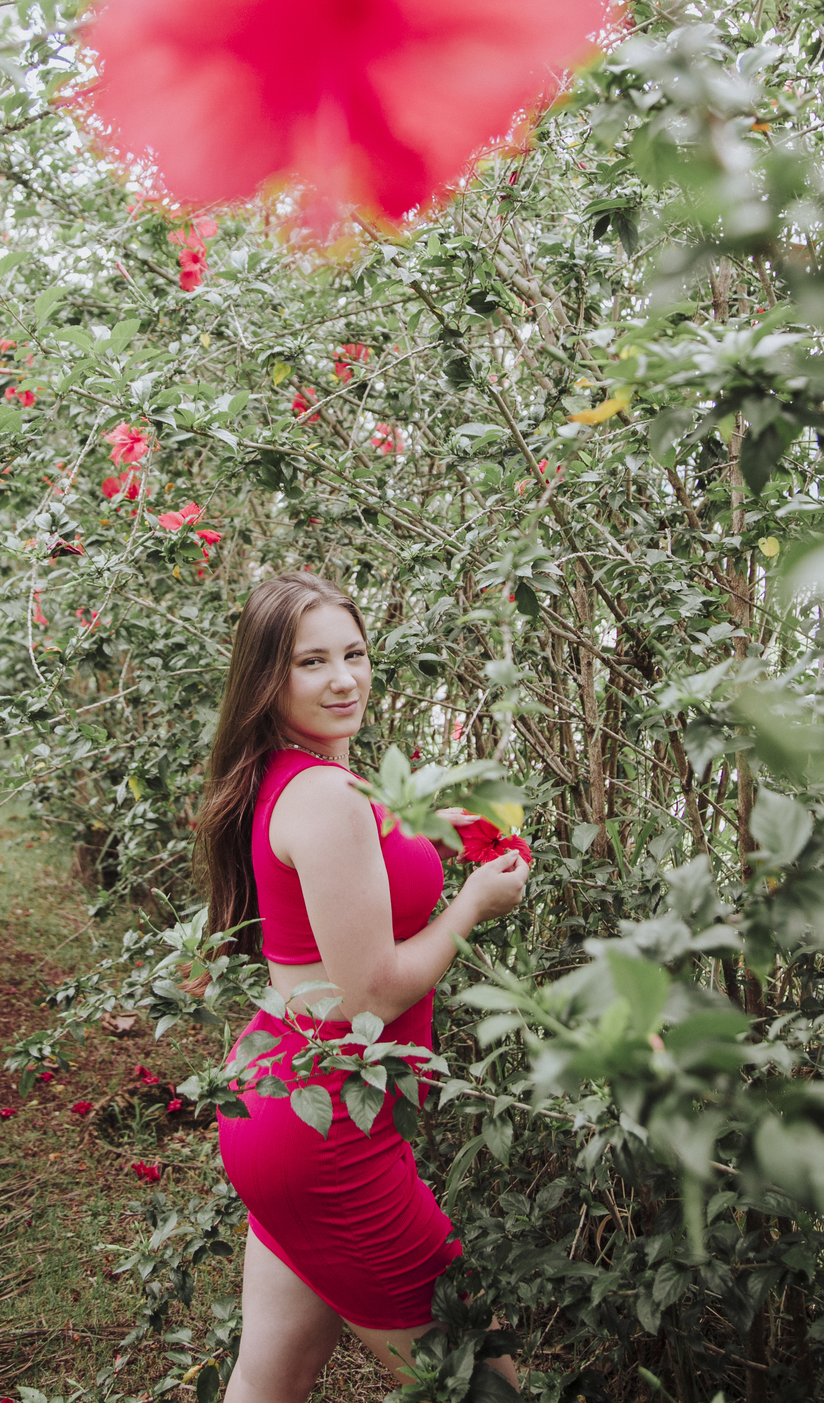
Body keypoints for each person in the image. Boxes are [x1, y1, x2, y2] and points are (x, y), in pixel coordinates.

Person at [194, 571, 530, 1402]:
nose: (344, 679)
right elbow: (374, 996)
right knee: (483, 1384)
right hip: (330, 1133)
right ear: (267, 678)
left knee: (270, 1378)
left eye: (355, 654)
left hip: (282, 1100)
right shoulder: (327, 796)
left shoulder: (296, 776)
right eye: (312, 662)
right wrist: (471, 906)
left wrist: (427, 829)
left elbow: (351, 875)